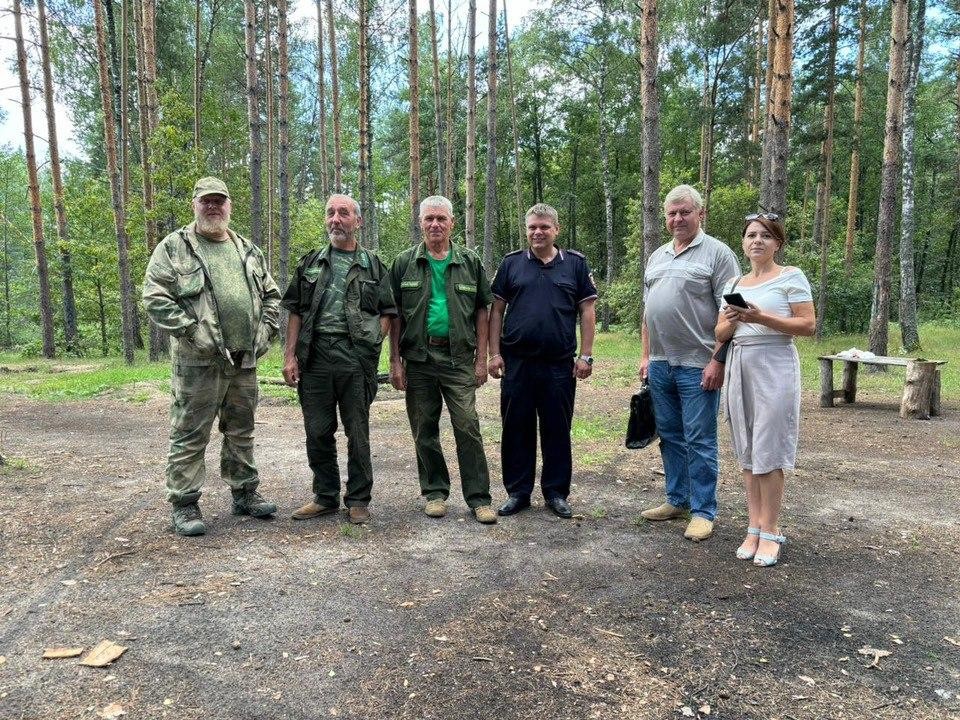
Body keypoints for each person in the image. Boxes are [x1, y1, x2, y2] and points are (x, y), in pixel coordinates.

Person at [143, 176, 281, 537]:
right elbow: (155, 297)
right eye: (206, 201)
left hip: (243, 361)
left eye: (219, 201)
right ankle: (185, 505)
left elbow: (272, 296)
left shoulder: (248, 249)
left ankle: (245, 494)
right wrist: (192, 331)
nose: (213, 207)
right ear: (195, 205)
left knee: (242, 430)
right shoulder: (174, 247)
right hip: (198, 362)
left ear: (229, 206)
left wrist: (265, 332)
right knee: (190, 431)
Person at [281, 194, 396, 525]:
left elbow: (388, 312)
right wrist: (290, 356)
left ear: (357, 221)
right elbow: (295, 310)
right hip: (314, 357)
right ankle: (326, 496)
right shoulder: (311, 263)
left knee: (357, 431)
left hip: (356, 359)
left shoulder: (373, 264)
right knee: (317, 430)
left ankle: (358, 498)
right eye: (330, 213)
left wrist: (375, 341)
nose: (335, 219)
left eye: (343, 213)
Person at [639, 184, 740, 542]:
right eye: (672, 213)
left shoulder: (718, 254)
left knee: (700, 438)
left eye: (685, 212)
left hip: (699, 364)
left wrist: (718, 360)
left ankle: (703, 510)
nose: (678, 219)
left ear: (701, 214)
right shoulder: (658, 256)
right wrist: (646, 356)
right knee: (669, 436)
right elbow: (648, 312)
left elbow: (733, 314)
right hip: (662, 363)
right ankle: (677, 499)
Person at [389, 196, 497, 524]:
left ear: (452, 223)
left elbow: (482, 311)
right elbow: (393, 316)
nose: (435, 225)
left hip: (459, 359)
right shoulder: (404, 263)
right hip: (418, 360)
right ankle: (434, 492)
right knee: (424, 427)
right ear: (420, 223)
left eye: (441, 219)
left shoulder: (470, 261)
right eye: (428, 219)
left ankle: (479, 497)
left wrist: (482, 359)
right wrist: (394, 361)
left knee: (467, 425)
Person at [715, 213, 814, 566]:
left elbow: (807, 325)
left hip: (774, 363)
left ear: (777, 243)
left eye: (765, 236)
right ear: (743, 243)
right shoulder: (734, 281)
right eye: (751, 235)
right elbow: (719, 335)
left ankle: (772, 530)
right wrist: (730, 320)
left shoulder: (791, 276)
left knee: (770, 446)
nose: (757, 241)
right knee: (747, 447)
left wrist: (761, 318)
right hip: (741, 364)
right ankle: (753, 526)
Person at [488, 203, 598, 519]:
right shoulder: (511, 264)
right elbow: (496, 311)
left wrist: (586, 355)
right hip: (517, 363)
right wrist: (494, 354)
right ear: (527, 230)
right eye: (533, 227)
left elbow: (587, 312)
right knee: (516, 428)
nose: (538, 232)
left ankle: (555, 492)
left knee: (557, 429)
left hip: (559, 364)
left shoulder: (575, 265)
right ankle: (518, 492)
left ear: (556, 230)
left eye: (544, 227)